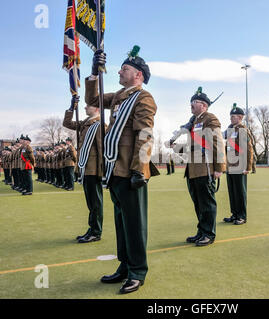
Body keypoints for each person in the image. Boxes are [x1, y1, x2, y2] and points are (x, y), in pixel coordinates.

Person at [85, 45, 159, 294]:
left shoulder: (143, 98)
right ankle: (125, 266)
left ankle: (138, 271)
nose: (119, 71)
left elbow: (145, 133)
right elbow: (93, 100)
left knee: (135, 224)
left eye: (125, 68)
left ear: (138, 74)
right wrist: (95, 73)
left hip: (130, 170)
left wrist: (139, 169)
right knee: (121, 223)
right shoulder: (118, 96)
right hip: (113, 169)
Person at [169, 87, 226, 247]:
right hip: (192, 169)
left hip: (205, 167)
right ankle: (201, 231)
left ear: (204, 105)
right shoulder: (193, 122)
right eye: (191, 102)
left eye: (195, 102)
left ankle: (208, 234)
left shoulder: (210, 119)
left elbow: (217, 143)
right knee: (198, 203)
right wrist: (176, 146)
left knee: (207, 203)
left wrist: (219, 167)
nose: (192, 105)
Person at [63, 95, 105, 243]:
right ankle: (92, 228)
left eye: (89, 105)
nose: (85, 107)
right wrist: (72, 108)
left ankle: (96, 231)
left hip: (94, 169)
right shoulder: (86, 123)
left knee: (95, 202)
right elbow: (67, 123)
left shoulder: (99, 124)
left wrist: (102, 171)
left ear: (98, 108)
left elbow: (102, 150)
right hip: (85, 167)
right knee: (90, 202)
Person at [223, 103, 253, 225]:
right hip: (230, 165)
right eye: (231, 116)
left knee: (240, 192)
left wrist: (248, 166)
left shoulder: (243, 130)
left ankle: (242, 216)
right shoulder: (230, 130)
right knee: (232, 191)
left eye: (234, 116)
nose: (231, 118)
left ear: (240, 117)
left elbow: (248, 149)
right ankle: (234, 214)